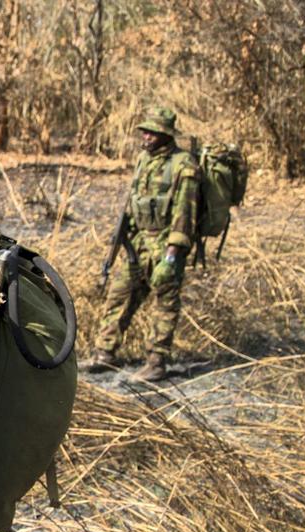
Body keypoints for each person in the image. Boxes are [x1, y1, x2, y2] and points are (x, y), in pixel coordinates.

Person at [84, 106, 199, 382]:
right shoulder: (143, 160)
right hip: (138, 244)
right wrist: (122, 236)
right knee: (119, 294)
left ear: (166, 135)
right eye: (145, 131)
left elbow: (185, 216)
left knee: (165, 303)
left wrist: (171, 259)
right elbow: (133, 201)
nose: (146, 136)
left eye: (153, 132)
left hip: (165, 246)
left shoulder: (183, 166)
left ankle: (157, 361)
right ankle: (105, 352)